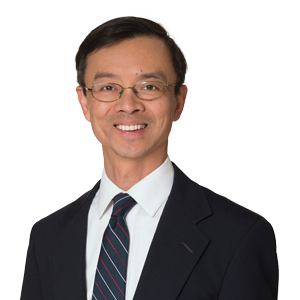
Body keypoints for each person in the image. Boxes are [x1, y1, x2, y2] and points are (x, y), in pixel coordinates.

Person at [20, 16, 279, 300]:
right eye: (108, 87)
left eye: (149, 87)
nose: (128, 105)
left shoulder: (239, 237)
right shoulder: (46, 237)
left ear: (178, 101)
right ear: (85, 102)